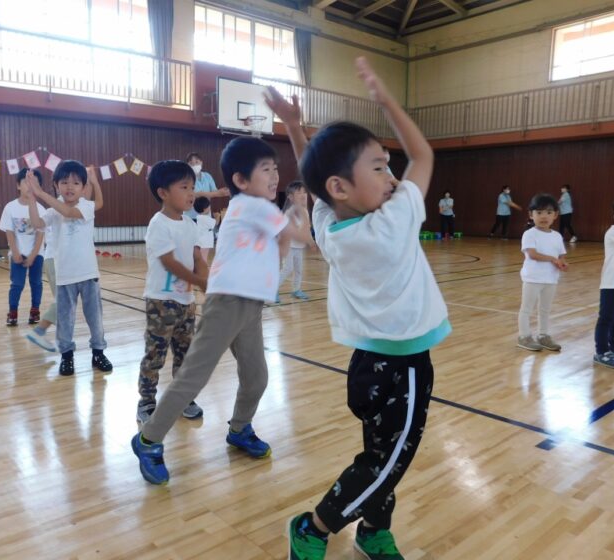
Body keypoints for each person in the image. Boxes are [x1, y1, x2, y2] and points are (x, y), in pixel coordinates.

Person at [267, 57, 450, 560]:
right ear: (343, 186)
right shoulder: (394, 222)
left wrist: (293, 127)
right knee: (387, 464)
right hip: (405, 367)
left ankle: (373, 529)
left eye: (388, 168)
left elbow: (320, 177)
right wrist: (387, 101)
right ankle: (314, 526)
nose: (392, 176)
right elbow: (423, 154)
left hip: (366, 365)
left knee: (380, 454)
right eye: (379, 167)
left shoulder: (330, 227)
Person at [131, 136, 312, 485]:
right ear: (241, 181)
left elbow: (280, 253)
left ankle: (240, 429)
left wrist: (292, 222)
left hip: (250, 305)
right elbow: (306, 238)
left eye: (276, 168)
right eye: (266, 170)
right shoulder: (251, 206)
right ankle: (148, 439)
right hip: (227, 302)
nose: (274, 176)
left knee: (257, 376)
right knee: (193, 377)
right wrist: (303, 209)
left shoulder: (263, 213)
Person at [137, 161, 209, 424]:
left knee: (185, 355)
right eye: (184, 187)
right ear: (163, 193)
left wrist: (207, 276)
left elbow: (197, 257)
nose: (191, 193)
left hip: (186, 303)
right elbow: (170, 263)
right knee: (155, 355)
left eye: (193, 187)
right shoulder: (158, 224)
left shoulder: (191, 225)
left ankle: (183, 398)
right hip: (161, 303)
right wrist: (201, 282)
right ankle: (146, 402)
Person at [25, 161, 113, 376]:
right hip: (65, 275)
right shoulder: (54, 212)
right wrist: (32, 198)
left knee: (95, 318)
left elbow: (69, 211)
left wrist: (95, 182)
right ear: (56, 185)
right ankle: (67, 356)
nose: (70, 187)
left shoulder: (85, 206)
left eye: (76, 182)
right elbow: (37, 223)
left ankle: (98, 352)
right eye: (64, 182)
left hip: (88, 273)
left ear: (83, 188)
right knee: (65, 320)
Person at [516, 194, 568, 352]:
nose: (544, 216)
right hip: (533, 278)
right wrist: (553, 259)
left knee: (545, 309)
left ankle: (543, 335)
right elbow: (532, 254)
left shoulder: (557, 236)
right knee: (527, 308)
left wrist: (563, 263)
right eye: (539, 212)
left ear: (555, 215)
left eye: (548, 212)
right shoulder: (529, 234)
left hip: (551, 279)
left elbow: (561, 255)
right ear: (531, 215)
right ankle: (524, 336)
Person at [0, 169, 46, 327]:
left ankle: (35, 310)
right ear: (18, 185)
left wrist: (33, 254)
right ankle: (13, 312)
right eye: (26, 181)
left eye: (34, 182)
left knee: (36, 282)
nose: (29, 185)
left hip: (37, 253)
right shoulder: (10, 208)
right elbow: (10, 232)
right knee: (17, 284)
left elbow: (40, 234)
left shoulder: (41, 209)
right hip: (17, 253)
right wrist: (16, 252)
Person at [277, 180, 314, 302]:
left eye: (304, 192)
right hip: (289, 246)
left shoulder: (305, 212)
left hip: (299, 246)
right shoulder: (288, 213)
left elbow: (306, 228)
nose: (303, 195)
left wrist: (311, 241)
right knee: (288, 268)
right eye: (299, 193)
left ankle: (296, 289)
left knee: (299, 269)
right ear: (291, 197)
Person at [594, 202, 614, 368]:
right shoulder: (612, 232)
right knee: (606, 318)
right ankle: (601, 351)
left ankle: (613, 349)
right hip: (610, 283)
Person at [183, 152, 229, 219]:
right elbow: (196, 194)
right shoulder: (185, 178)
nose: (194, 165)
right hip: (190, 216)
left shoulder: (207, 176)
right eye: (191, 163)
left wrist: (225, 191)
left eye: (196, 162)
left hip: (206, 215)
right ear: (187, 165)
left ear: (201, 162)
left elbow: (215, 191)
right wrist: (217, 193)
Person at [193, 197, 216, 261]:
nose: (210, 207)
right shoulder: (204, 218)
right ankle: (203, 269)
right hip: (205, 242)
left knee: (203, 257)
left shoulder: (200, 217)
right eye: (209, 206)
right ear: (205, 208)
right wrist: (217, 217)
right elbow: (214, 224)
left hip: (203, 242)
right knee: (203, 258)